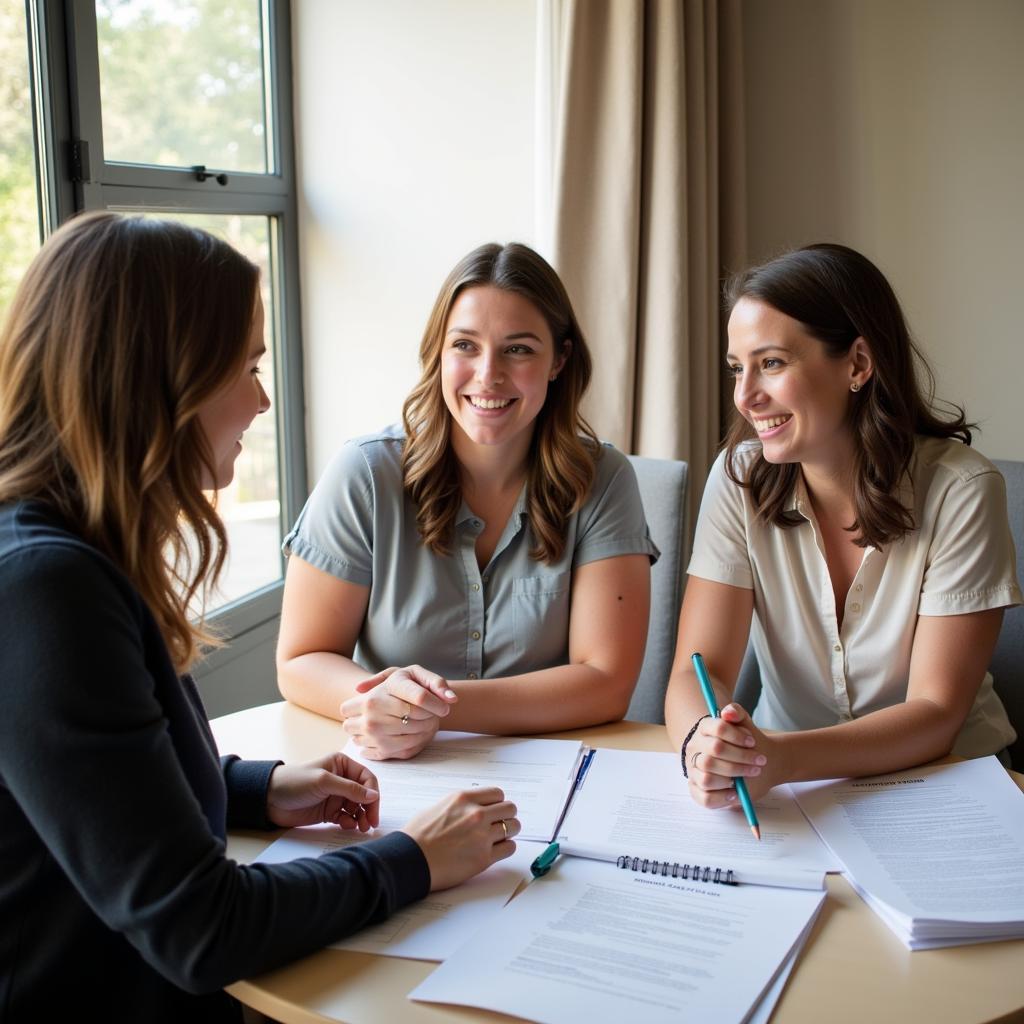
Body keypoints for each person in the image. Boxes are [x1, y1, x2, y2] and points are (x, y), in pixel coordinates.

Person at [0, 212, 520, 1022]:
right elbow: (201, 927)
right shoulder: (44, 589)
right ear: (157, 380)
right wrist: (413, 859)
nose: (262, 398)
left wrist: (261, 791)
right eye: (244, 366)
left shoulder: (71, 552)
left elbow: (96, 797)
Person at [665, 242, 1022, 809]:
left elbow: (936, 714)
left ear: (857, 363)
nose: (746, 396)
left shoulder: (962, 490)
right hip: (794, 788)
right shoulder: (737, 476)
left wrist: (779, 757)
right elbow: (696, 670)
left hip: (947, 785)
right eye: (738, 368)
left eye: (772, 363)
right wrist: (700, 745)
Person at [277, 242, 657, 759]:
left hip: (548, 774)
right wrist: (383, 708)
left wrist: (428, 710)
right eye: (465, 346)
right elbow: (302, 658)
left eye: (518, 349)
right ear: (438, 351)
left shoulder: (604, 480)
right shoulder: (364, 473)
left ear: (559, 360)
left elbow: (606, 683)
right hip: (390, 771)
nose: (488, 375)